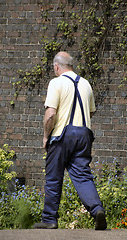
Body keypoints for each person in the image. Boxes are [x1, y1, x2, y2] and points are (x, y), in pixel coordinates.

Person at [34, 52, 107, 230]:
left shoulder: (56, 82)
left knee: (53, 177)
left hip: (62, 136)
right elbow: (89, 113)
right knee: (82, 176)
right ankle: (97, 209)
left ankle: (49, 219)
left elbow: (51, 114)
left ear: (57, 67)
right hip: (84, 135)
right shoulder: (86, 84)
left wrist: (45, 136)